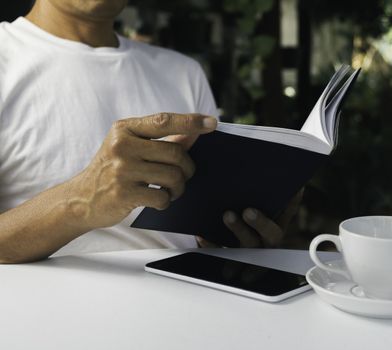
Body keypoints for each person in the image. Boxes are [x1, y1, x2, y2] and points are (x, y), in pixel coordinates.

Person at [0, 0, 300, 263]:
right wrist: (82, 202)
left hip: (193, 311)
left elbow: (204, 235)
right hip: (50, 319)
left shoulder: (184, 73)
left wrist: (234, 234)